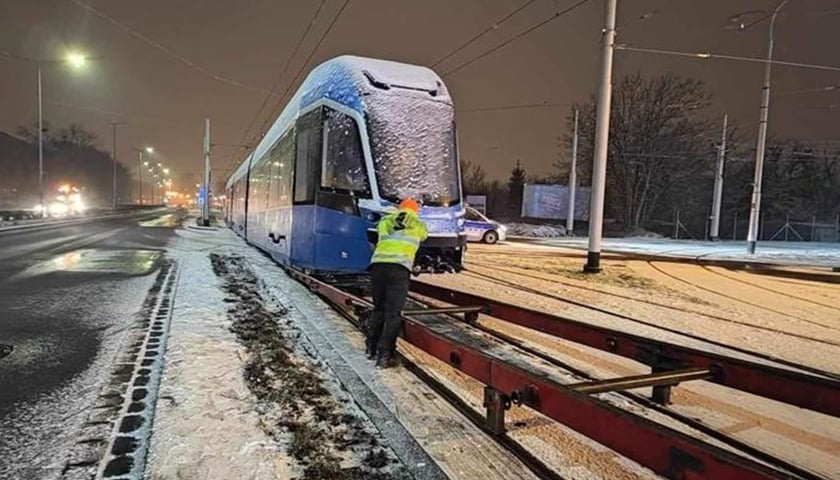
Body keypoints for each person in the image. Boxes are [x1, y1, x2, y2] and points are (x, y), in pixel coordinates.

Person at [366, 198, 428, 369]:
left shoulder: (386, 220)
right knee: (393, 313)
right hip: (399, 269)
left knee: (379, 308)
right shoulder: (418, 224)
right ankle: (384, 355)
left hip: (378, 266)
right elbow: (423, 237)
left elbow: (379, 232)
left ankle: (370, 348)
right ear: (415, 211)